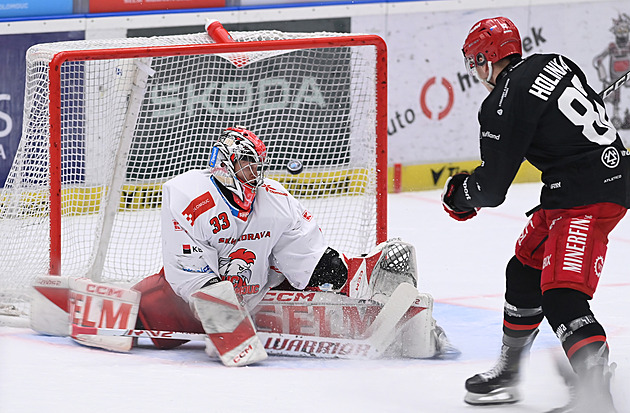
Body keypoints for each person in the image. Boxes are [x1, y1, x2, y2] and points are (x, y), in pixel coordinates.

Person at [441, 16, 630, 412]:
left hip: (587, 196)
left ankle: (597, 397)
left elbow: (491, 189)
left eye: (476, 62)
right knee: (523, 270)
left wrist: (460, 195)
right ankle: (509, 373)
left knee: (563, 297)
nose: (475, 72)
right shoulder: (552, 61)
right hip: (579, 185)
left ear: (488, 59)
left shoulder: (500, 103)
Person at [133, 126, 417, 351]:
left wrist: (346, 273)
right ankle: (119, 309)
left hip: (254, 303)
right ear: (225, 164)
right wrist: (221, 314)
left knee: (321, 278)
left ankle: (367, 283)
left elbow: (305, 257)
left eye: (259, 165)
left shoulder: (275, 199)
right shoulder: (190, 196)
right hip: (182, 305)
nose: (256, 173)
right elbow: (188, 271)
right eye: (248, 164)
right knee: (141, 305)